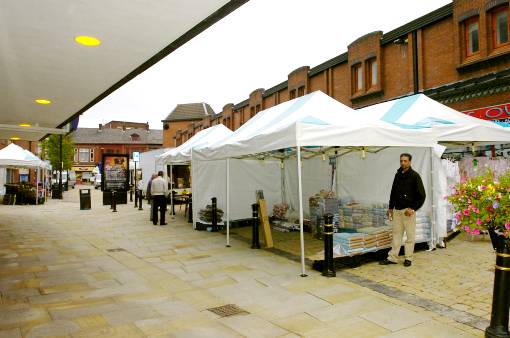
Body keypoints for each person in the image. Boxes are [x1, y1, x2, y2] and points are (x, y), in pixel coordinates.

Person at [380, 153, 426, 267]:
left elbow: (422, 195)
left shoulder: (415, 176)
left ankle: (408, 258)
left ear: (410, 162)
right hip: (397, 210)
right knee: (396, 235)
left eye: (405, 161)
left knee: (410, 236)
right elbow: (393, 192)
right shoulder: (397, 175)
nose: (403, 163)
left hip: (408, 211)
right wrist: (390, 208)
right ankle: (392, 258)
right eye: (401, 161)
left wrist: (413, 209)